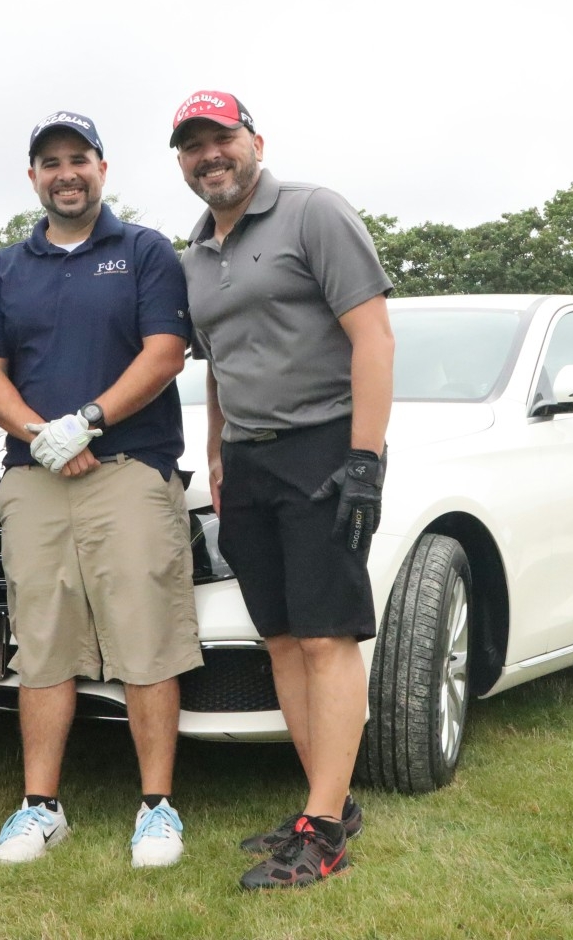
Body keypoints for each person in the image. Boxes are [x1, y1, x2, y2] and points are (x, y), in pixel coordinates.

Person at [169, 90, 395, 890]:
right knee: (282, 641)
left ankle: (325, 829)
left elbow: (372, 334)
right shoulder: (193, 256)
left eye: (220, 138)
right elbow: (220, 366)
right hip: (253, 463)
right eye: (192, 146)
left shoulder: (313, 213)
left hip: (326, 446)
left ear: (254, 140)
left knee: (327, 637)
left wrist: (365, 457)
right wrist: (218, 455)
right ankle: (320, 806)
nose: (209, 156)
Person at [0, 111, 201, 868]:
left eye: (79, 158)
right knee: (41, 641)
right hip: (35, 477)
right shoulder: (3, 269)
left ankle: (157, 808)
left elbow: (166, 352)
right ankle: (40, 808)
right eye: (50, 162)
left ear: (103, 168)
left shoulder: (144, 251)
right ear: (33, 177)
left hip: (128, 468)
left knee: (145, 633)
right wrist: (41, 434)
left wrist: (89, 421)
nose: (65, 172)